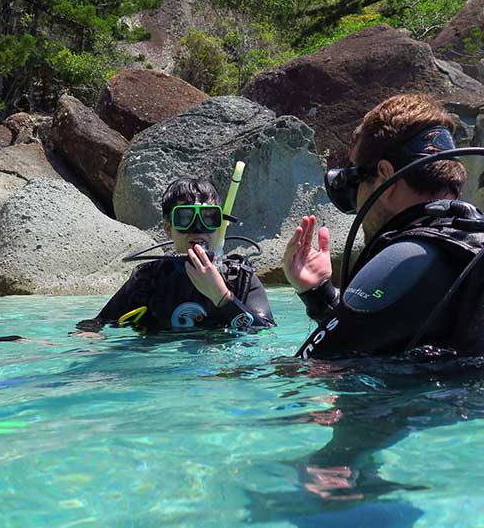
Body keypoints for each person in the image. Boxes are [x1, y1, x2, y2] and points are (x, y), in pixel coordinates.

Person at [283, 93, 484, 359]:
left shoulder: (405, 259)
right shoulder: (464, 249)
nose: (357, 201)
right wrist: (319, 294)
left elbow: (307, 371)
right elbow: (380, 335)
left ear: (385, 175)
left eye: (356, 179)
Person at [77, 177, 274, 333]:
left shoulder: (239, 278)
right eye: (185, 218)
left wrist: (222, 297)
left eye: (208, 219)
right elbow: (96, 325)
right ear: (168, 228)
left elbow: (265, 333)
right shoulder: (149, 278)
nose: (197, 230)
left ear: (221, 227)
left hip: (220, 376)